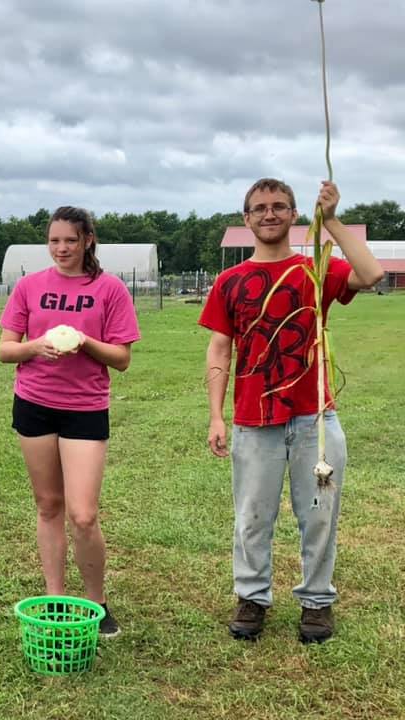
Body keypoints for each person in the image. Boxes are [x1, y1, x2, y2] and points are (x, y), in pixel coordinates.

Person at [200, 179, 384, 643]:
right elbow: (220, 348)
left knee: (319, 512)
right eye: (259, 208)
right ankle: (252, 597)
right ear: (246, 220)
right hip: (253, 421)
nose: (269, 214)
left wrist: (334, 219)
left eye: (279, 206)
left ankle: (317, 603)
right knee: (253, 515)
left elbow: (371, 273)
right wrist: (217, 415)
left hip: (314, 421)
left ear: (294, 214)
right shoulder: (230, 281)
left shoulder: (315, 270)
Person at [0, 206, 140, 638]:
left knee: (82, 514)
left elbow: (122, 359)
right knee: (48, 506)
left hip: (84, 409)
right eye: (55, 240)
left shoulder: (109, 289)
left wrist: (85, 342)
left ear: (88, 241)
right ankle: (56, 599)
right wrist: (37, 346)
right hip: (35, 404)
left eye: (70, 240)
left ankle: (96, 603)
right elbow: (6, 350)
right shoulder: (29, 286)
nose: (62, 248)